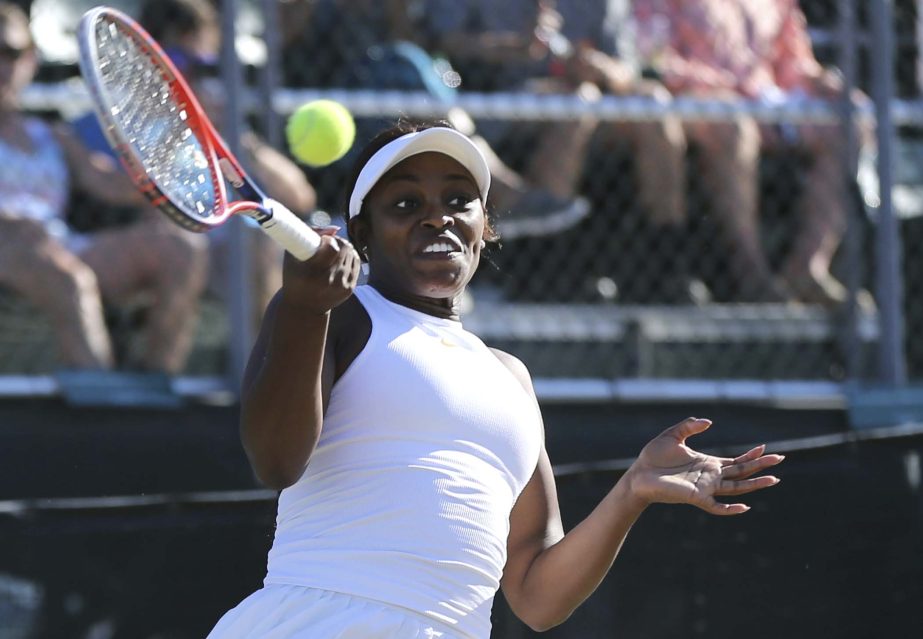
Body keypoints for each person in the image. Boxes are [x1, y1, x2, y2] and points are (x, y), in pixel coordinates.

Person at [206, 119, 783, 638]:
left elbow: (536, 595)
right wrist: (307, 308)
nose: (438, 216)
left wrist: (632, 491)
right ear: (362, 234)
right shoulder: (336, 313)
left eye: (460, 200)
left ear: (486, 228)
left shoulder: (512, 378)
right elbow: (276, 462)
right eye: (405, 205)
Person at [0, 1, 207, 373]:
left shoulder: (52, 135)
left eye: (11, 53)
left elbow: (112, 184)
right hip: (10, 250)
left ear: (30, 60)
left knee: (182, 249)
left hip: (56, 249)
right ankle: (103, 415)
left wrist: (177, 147)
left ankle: (158, 393)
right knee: (69, 280)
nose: (3, 66)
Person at [276, 0, 590, 243]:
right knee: (404, 63)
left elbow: (411, 38)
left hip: (387, 91)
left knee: (407, 59)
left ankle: (500, 193)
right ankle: (501, 192)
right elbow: (281, 37)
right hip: (316, 94)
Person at [633, 0, 871, 305]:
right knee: (733, 127)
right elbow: (654, 61)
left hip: (767, 106)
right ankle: (750, 274)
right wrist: (733, 88)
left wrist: (820, 82)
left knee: (851, 124)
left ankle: (807, 267)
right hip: (695, 102)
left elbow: (793, 62)